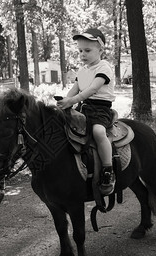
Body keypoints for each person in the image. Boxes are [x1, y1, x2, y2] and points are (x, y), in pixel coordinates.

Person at [56, 28, 116, 195]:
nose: (83, 54)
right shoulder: (82, 71)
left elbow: (92, 89)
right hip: (83, 108)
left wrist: (71, 101)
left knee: (98, 132)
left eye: (88, 50)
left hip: (100, 109)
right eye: (80, 50)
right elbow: (74, 91)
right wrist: (63, 103)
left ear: (101, 50)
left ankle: (107, 169)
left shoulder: (104, 67)